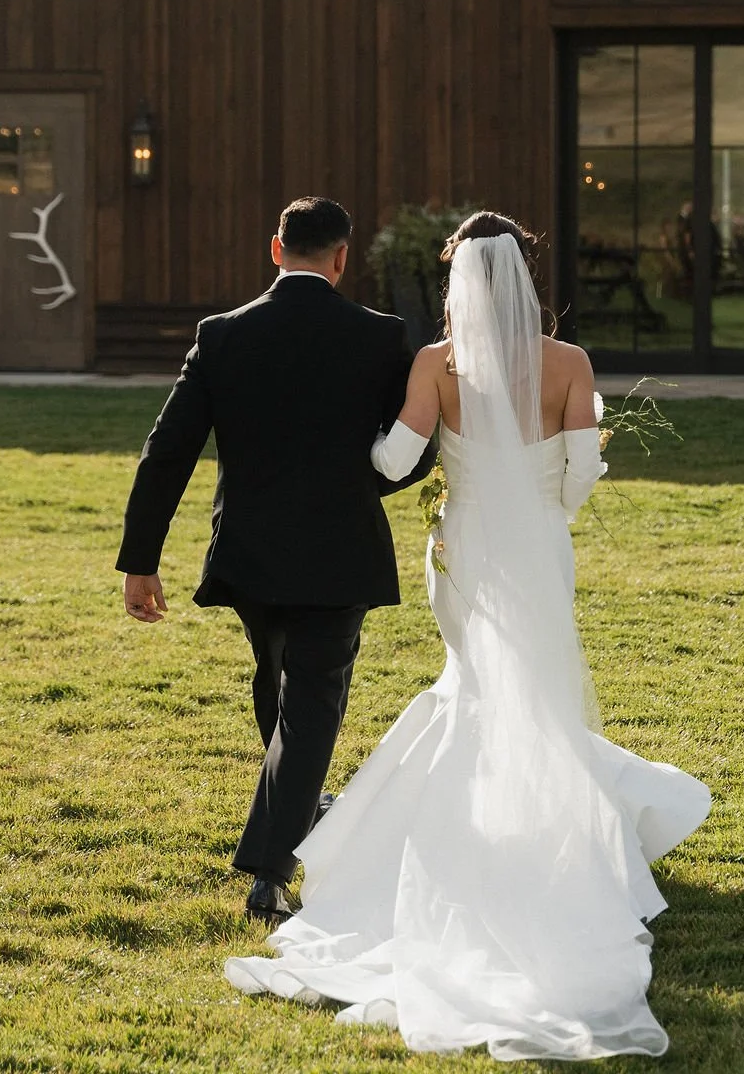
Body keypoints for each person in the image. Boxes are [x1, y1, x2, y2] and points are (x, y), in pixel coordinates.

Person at [225, 210, 711, 1059]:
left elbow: (388, 461)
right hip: (538, 552)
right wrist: (541, 518)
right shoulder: (571, 364)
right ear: (524, 275)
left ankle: (464, 839)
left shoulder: (436, 364)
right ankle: (547, 838)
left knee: (475, 686)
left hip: (461, 550)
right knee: (535, 689)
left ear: (456, 283)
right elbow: (583, 470)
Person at [115, 196, 434, 924]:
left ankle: (292, 814)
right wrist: (368, 486)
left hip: (250, 552)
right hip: (340, 548)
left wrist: (141, 559)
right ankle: (268, 872)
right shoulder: (382, 336)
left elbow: (168, 452)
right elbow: (413, 448)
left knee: (280, 683)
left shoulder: (222, 335)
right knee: (311, 703)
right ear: (343, 256)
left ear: (275, 249)